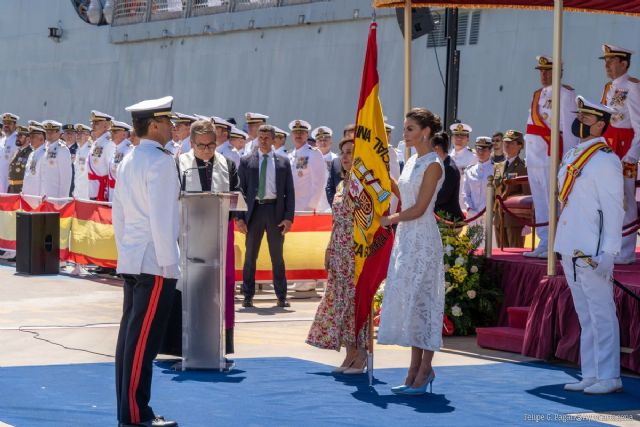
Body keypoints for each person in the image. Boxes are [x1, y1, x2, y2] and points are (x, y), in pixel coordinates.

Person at [112, 96, 180, 427]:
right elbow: (164, 219)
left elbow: (119, 215)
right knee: (143, 344)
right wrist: (170, 265)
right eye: (168, 122)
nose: (172, 127)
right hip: (155, 261)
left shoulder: (128, 159)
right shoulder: (161, 162)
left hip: (134, 257)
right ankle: (137, 415)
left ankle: (129, 411)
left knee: (130, 339)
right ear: (153, 125)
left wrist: (125, 251)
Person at [555, 96, 624, 395]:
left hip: (591, 248)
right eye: (578, 117)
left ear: (599, 124)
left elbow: (614, 209)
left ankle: (609, 376)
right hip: (571, 244)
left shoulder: (606, 159)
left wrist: (610, 251)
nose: (578, 123)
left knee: (601, 312)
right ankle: (592, 372)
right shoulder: (574, 154)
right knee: (585, 313)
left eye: (584, 119)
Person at [378, 107, 445, 396]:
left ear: (425, 132)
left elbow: (419, 208)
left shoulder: (434, 165)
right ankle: (413, 370)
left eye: (409, 129)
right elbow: (402, 193)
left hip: (423, 237)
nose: (404, 134)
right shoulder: (410, 161)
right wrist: (378, 179)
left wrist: (389, 220)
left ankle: (424, 369)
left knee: (425, 302)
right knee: (413, 302)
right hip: (406, 237)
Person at [175, 119, 240, 354]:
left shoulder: (227, 164)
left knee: (219, 289)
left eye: (211, 145)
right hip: (189, 235)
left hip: (218, 236)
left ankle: (218, 343)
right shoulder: (179, 164)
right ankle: (186, 343)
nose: (207, 150)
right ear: (191, 143)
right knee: (189, 287)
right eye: (201, 146)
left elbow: (236, 196)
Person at [307, 137, 368, 373]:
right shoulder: (343, 184)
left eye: (350, 153)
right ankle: (349, 352)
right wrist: (330, 248)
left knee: (353, 303)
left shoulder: (362, 185)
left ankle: (360, 353)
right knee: (340, 303)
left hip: (354, 252)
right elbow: (336, 222)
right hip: (339, 250)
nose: (345, 157)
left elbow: (367, 222)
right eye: (343, 152)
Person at [524, 55, 578, 258]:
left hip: (551, 156)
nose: (544, 75)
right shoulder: (537, 94)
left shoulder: (565, 94)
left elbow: (571, 131)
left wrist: (568, 159)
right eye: (541, 71)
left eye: (548, 71)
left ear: (558, 73)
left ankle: (556, 244)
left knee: (552, 201)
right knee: (540, 202)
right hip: (535, 157)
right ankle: (544, 242)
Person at [237, 124, 295, 308]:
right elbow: (240, 190)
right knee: (250, 256)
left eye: (267, 138)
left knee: (277, 256)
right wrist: (240, 217)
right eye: (260, 137)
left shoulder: (283, 162)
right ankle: (247, 295)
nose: (263, 141)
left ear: (273, 139)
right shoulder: (246, 161)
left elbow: (289, 192)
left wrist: (288, 217)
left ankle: (281, 295)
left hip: (274, 212)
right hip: (254, 212)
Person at [599, 44, 640, 264]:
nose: (607, 65)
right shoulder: (609, 88)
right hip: (608, 149)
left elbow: (639, 125)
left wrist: (632, 155)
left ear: (624, 63)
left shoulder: (633, 87)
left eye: (611, 60)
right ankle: (611, 247)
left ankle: (625, 251)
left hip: (625, 150)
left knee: (625, 200)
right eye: (605, 61)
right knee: (608, 199)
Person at [492, 130, 530, 248]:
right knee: (500, 254)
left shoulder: (522, 167)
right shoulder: (498, 166)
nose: (507, 145)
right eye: (505, 142)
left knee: (514, 253)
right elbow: (495, 190)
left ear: (520, 145)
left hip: (515, 219)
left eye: (511, 143)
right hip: (499, 218)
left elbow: (526, 194)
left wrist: (527, 223)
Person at [288, 119, 327, 211]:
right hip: (290, 206)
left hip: (305, 207)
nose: (298, 135)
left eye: (301, 132)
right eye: (295, 132)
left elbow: (319, 183)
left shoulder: (313, 153)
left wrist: (311, 206)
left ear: (307, 134)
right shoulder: (289, 155)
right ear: (292, 135)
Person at [432, 131, 464, 221]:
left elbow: (443, 196)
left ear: (437, 148)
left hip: (449, 218)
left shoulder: (449, 168)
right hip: (442, 217)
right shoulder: (443, 165)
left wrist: (426, 199)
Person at [462, 137, 493, 221]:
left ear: (490, 151)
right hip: (472, 216)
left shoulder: (496, 169)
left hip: (490, 215)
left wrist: (488, 209)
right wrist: (469, 208)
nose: (481, 152)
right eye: (478, 149)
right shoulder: (469, 170)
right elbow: (466, 193)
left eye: (484, 149)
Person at [448, 122, 477, 212]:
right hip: (448, 200)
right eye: (456, 135)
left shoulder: (473, 157)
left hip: (464, 203)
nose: (459, 138)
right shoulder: (447, 156)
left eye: (462, 136)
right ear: (452, 138)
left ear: (468, 139)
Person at [88, 110, 116, 201]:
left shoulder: (108, 143)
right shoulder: (97, 142)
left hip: (102, 192)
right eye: (92, 123)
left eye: (96, 123)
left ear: (106, 126)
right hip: (93, 190)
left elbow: (111, 170)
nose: (92, 126)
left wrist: (107, 192)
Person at [107, 120, 133, 201]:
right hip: (113, 193)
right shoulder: (117, 148)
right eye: (111, 131)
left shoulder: (128, 150)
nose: (112, 134)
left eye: (115, 132)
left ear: (124, 134)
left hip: (122, 196)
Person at [7, 126, 32, 194]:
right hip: (12, 188)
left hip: (21, 189)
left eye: (20, 136)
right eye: (17, 136)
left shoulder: (30, 153)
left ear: (28, 138)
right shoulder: (17, 151)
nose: (17, 138)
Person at [0, 113, 20, 193]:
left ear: (15, 125)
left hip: (10, 182)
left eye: (9, 123)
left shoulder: (17, 141)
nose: (6, 125)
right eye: (4, 123)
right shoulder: (2, 140)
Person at [73, 123, 92, 199]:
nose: (78, 135)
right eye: (77, 133)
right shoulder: (78, 150)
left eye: (81, 133)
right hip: (78, 192)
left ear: (88, 136)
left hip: (86, 193)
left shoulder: (90, 151)